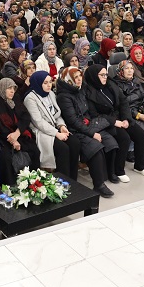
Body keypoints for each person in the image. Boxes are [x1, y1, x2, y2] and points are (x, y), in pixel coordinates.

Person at [83, 64, 144, 181]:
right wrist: (114, 122)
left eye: (106, 74)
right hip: (106, 122)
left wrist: (125, 118)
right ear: (94, 76)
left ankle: (141, 166)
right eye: (102, 75)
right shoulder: (89, 92)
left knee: (140, 134)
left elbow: (123, 102)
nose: (105, 77)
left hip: (121, 117)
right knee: (124, 138)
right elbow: (95, 115)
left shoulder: (111, 84)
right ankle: (118, 170)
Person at [55, 67, 117, 197]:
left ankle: (108, 175)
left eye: (80, 76)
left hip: (86, 125)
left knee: (110, 141)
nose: (79, 79)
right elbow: (72, 120)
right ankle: (99, 185)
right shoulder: (64, 96)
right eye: (75, 77)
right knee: (95, 148)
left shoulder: (80, 90)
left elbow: (86, 111)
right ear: (69, 79)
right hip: (75, 130)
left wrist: (89, 122)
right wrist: (92, 133)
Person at [23, 71, 81, 179]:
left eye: (50, 82)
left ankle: (73, 179)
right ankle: (63, 181)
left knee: (75, 143)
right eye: (45, 83)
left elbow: (57, 114)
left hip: (54, 127)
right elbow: (38, 122)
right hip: (41, 131)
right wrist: (57, 134)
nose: (49, 85)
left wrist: (61, 126)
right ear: (38, 83)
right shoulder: (30, 98)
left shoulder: (51, 94)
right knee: (63, 148)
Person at [0, 78, 41, 185]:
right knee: (6, 157)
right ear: (2, 88)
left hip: (19, 133)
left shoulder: (16, 98)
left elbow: (25, 116)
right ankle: (11, 187)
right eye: (9, 88)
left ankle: (34, 184)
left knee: (34, 150)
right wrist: (13, 140)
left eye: (13, 88)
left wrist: (18, 133)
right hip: (2, 137)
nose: (12, 91)